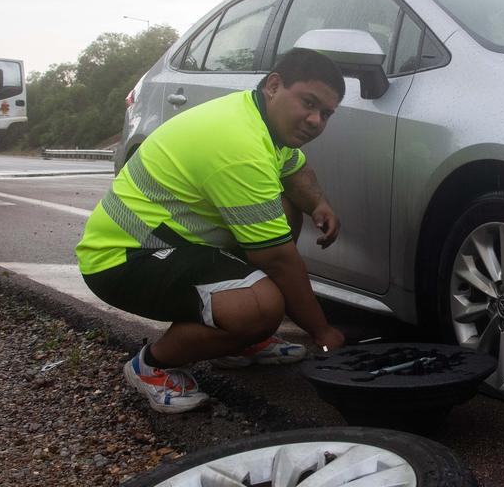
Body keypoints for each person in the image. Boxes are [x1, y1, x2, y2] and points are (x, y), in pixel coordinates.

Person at [75, 48, 347, 413]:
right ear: (274, 85)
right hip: (122, 259)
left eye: (325, 113)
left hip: (174, 244)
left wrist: (318, 204)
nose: (315, 120)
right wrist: (323, 333)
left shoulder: (258, 118)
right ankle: (152, 366)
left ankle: (242, 342)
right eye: (308, 103)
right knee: (261, 306)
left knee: (284, 208)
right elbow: (279, 260)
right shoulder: (239, 144)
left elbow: (294, 170)